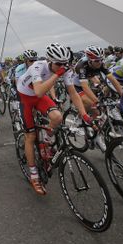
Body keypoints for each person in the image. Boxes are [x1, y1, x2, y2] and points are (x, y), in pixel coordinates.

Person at [17, 43, 89, 196]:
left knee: (57, 117)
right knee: (30, 136)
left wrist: (84, 114)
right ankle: (34, 175)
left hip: (39, 96)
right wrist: (57, 74)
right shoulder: (37, 66)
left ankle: (46, 142)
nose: (62, 67)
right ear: (50, 60)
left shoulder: (65, 69)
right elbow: (38, 91)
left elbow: (73, 93)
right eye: (58, 64)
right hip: (26, 97)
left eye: (64, 64)